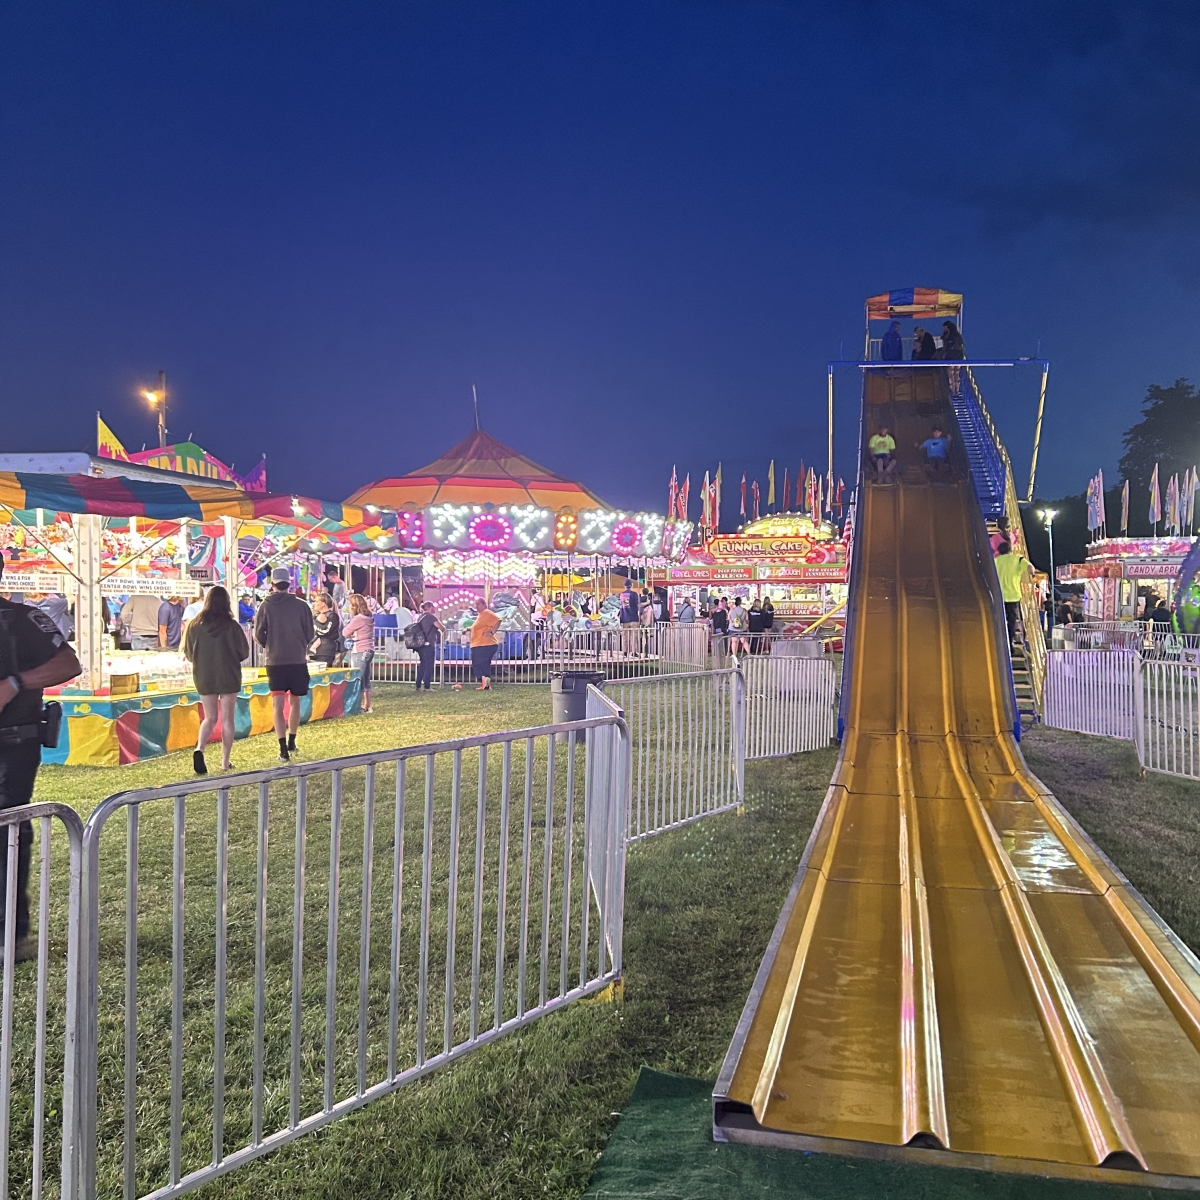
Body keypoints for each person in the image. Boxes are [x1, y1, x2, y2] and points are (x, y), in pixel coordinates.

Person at [0, 556, 83, 961]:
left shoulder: (20, 620)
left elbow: (68, 662)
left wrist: (16, 683)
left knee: (7, 834)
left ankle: (10, 936)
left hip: (11, 745)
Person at [183, 585, 249, 775]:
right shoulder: (232, 626)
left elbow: (188, 653)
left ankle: (199, 749)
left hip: (204, 675)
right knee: (227, 719)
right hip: (229, 675)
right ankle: (225, 762)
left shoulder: (194, 625)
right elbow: (244, 652)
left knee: (210, 717)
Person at [254, 567, 315, 762]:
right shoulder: (302, 605)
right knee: (295, 701)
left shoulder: (265, 605)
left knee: (277, 705)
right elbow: (310, 633)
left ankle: (282, 749)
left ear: (272, 584)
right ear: (289, 584)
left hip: (275, 661)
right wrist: (299, 645)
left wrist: (270, 645)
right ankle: (292, 740)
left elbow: (258, 634)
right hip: (297, 660)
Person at [343, 594, 376, 714]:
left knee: (357, 678)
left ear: (354, 605)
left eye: (351, 604)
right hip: (370, 649)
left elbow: (345, 632)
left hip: (360, 649)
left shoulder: (358, 619)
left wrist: (352, 634)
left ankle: (356, 706)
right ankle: (367, 705)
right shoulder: (369, 617)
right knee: (365, 678)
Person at [994, 542, 1032, 646]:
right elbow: (1030, 567)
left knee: (999, 619)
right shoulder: (1018, 559)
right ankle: (1010, 642)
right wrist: (1031, 573)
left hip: (999, 596)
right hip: (1013, 595)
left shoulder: (995, 561)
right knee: (1012, 620)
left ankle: (1000, 641)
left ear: (999, 551)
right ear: (1010, 550)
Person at [468, 598, 502, 691]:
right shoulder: (481, 615)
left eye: (478, 604)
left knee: (481, 664)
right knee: (480, 664)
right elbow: (479, 627)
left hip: (485, 644)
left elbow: (498, 620)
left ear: (484, 605)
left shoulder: (487, 613)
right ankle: (485, 683)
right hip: (479, 644)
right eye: (475, 604)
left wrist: (492, 632)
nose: (476, 606)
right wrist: (469, 629)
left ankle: (485, 683)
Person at [411, 601, 442, 691]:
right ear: (429, 607)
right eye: (433, 607)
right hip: (429, 644)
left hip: (421, 644)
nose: (434, 608)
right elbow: (441, 627)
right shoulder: (430, 617)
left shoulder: (420, 617)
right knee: (429, 665)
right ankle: (427, 686)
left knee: (423, 664)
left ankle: (418, 685)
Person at [308, 592, 342, 667]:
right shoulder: (316, 616)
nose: (314, 604)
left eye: (316, 601)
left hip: (325, 652)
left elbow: (324, 631)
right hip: (314, 651)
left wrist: (313, 622)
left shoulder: (332, 616)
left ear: (323, 604)